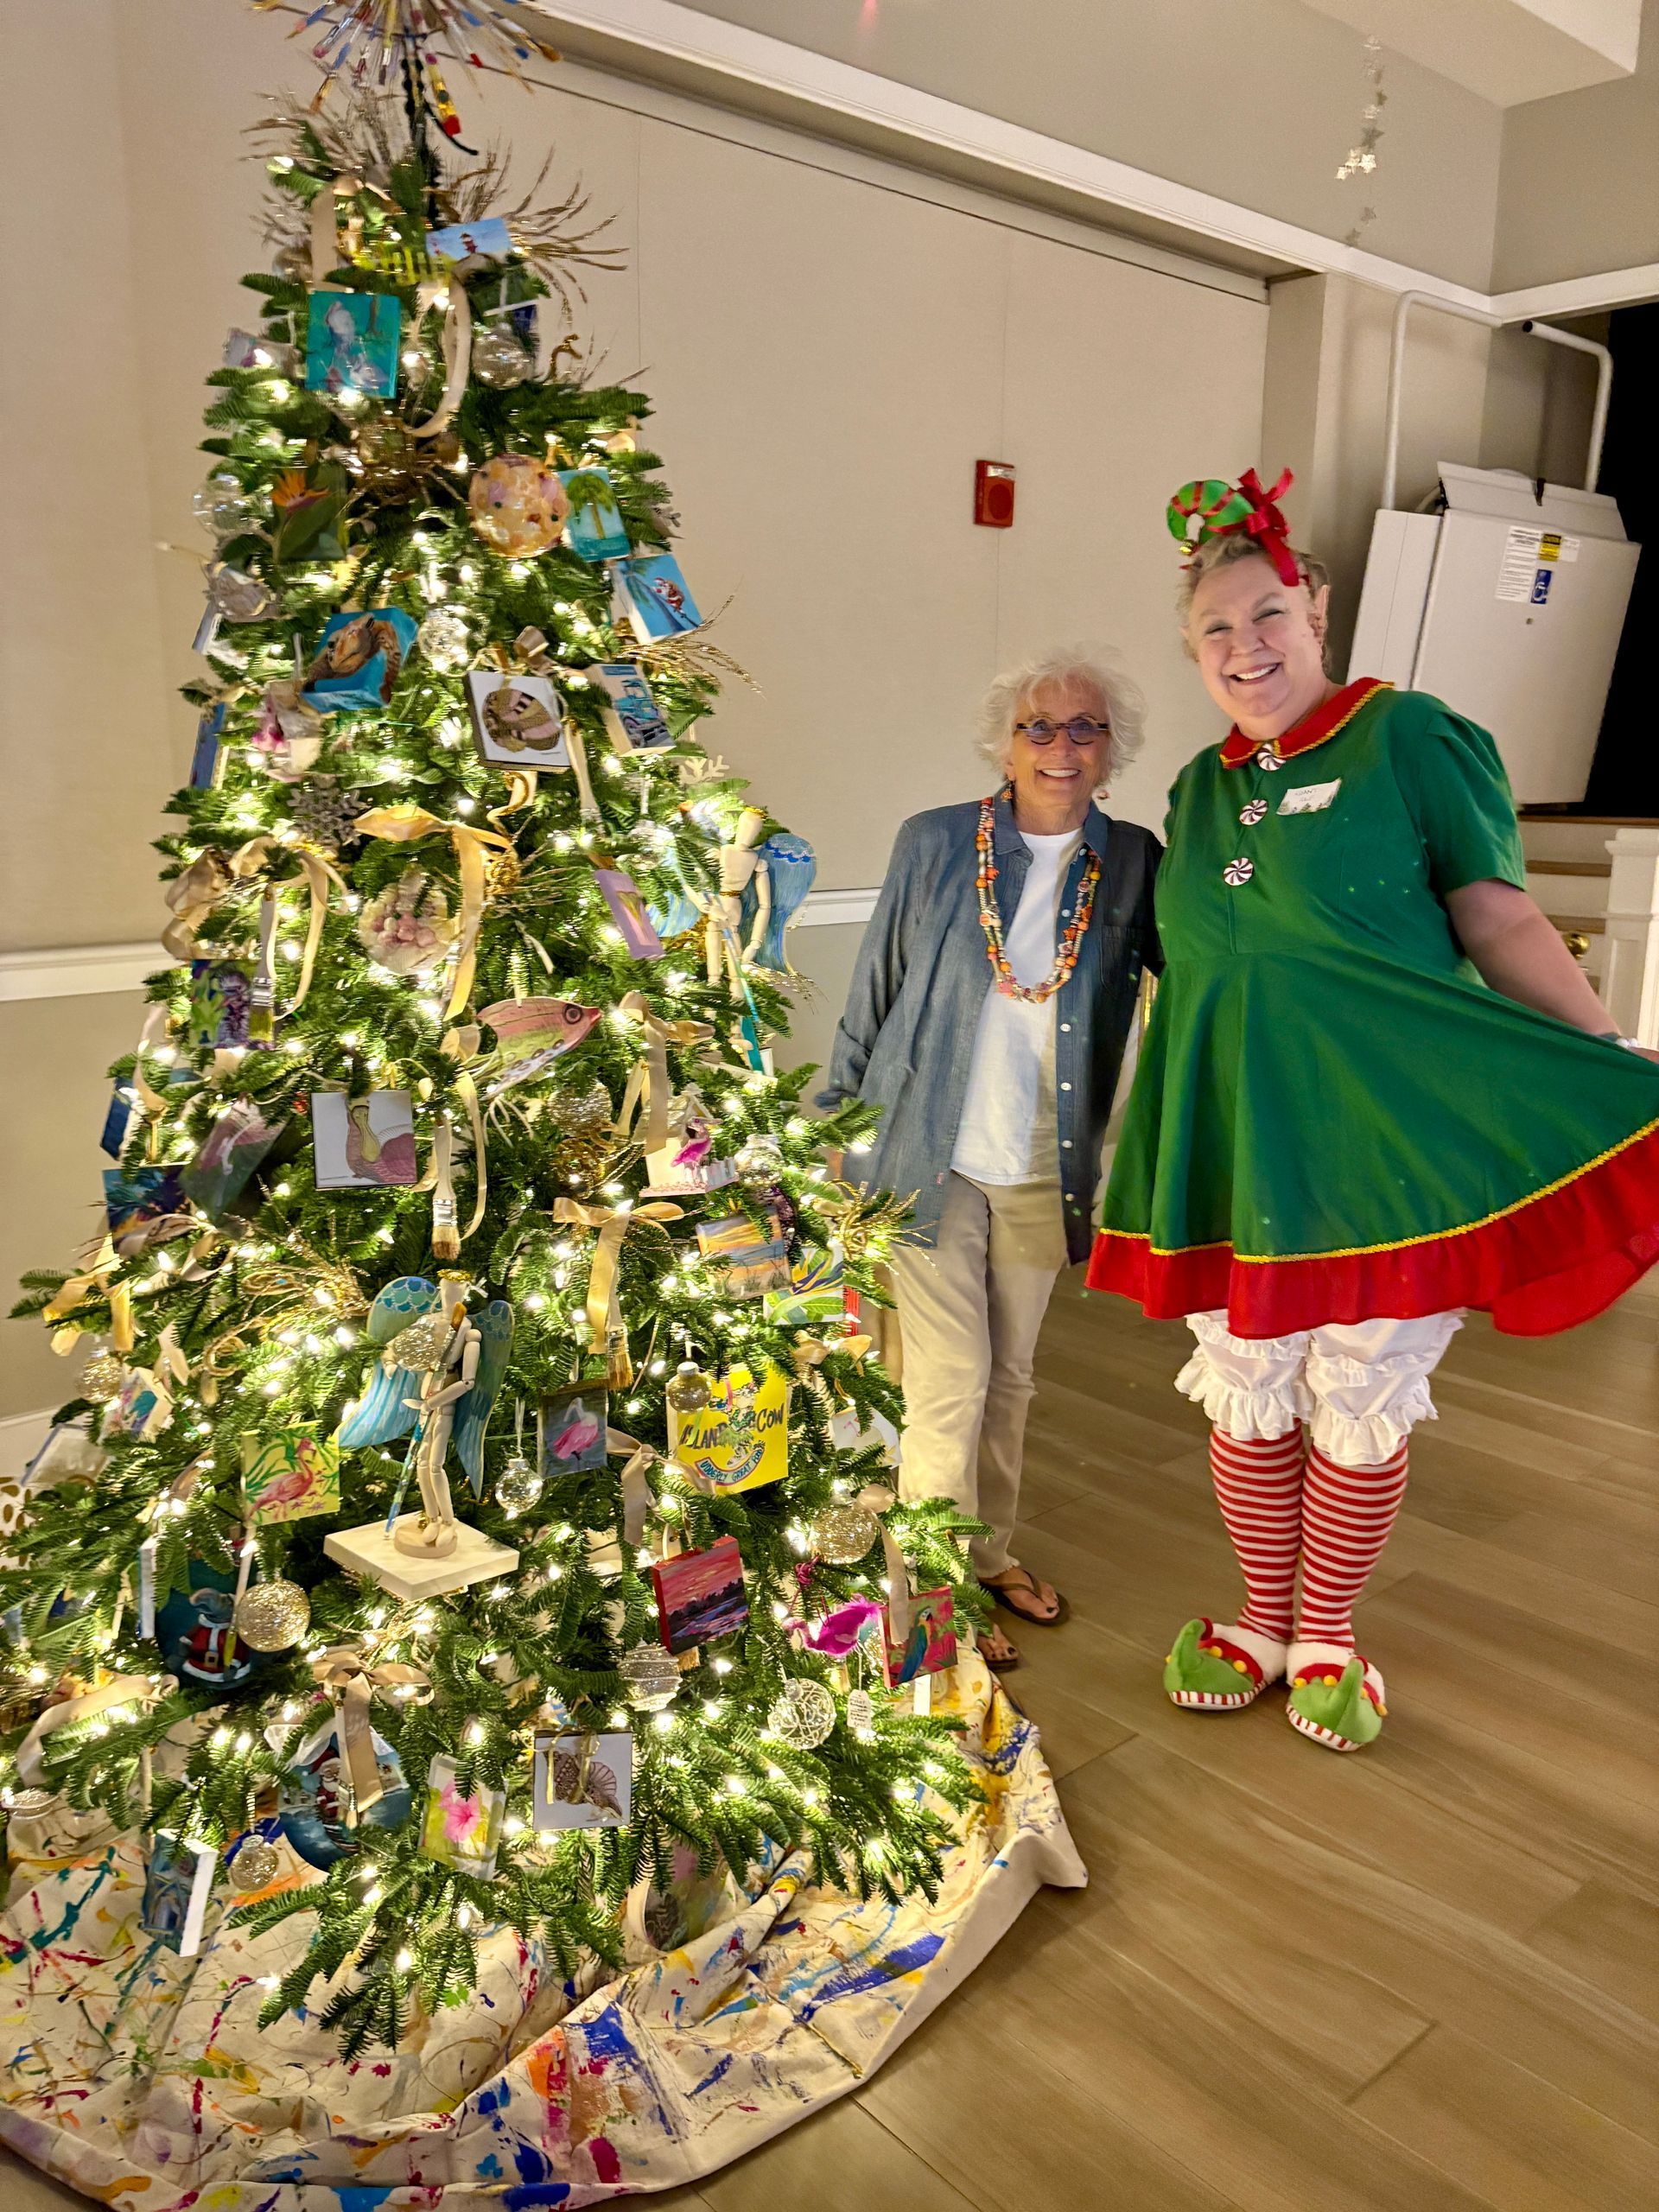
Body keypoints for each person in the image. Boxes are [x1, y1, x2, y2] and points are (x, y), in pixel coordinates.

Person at [1091, 468, 1659, 1750]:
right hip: (1246, 1148)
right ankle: (1259, 1616)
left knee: (1357, 1383)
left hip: (1383, 1142)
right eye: (1217, 633)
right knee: (1250, 1377)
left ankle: (1329, 1630)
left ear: (1319, 607)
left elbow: (1498, 913)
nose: (1247, 649)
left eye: (1268, 615)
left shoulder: (1412, 738)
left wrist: (1603, 1058)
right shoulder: (1196, 787)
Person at [822, 650, 1162, 1668]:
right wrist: (837, 1124)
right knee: (951, 1380)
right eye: (1039, 727)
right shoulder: (937, 842)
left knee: (1010, 1378)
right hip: (924, 1152)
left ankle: (988, 1556)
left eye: (1084, 728)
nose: (1061, 747)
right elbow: (874, 983)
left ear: (1112, 748)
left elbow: (1191, 987)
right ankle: (929, 1593)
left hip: (1043, 1162)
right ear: (1004, 742)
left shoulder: (1136, 859)